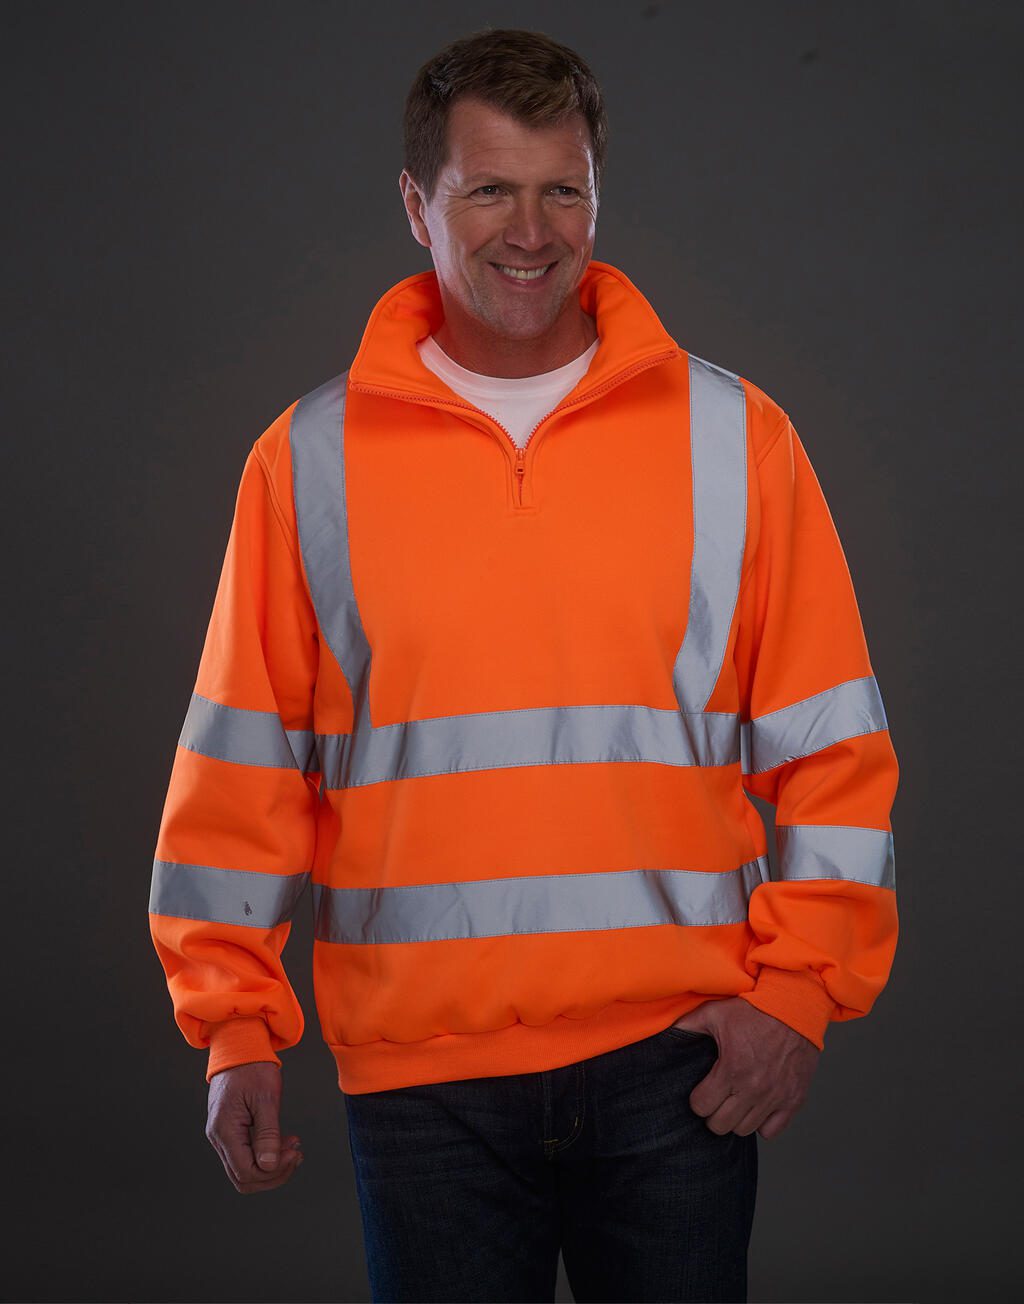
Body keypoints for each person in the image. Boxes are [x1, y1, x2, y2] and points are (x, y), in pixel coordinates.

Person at [148, 26, 899, 1304]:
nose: (532, 230)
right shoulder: (307, 462)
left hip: (676, 1068)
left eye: (564, 190)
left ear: (598, 195)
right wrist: (232, 1023)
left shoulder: (737, 437)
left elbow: (834, 748)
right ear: (416, 204)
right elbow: (241, 768)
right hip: (422, 1090)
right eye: (489, 188)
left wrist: (798, 995)